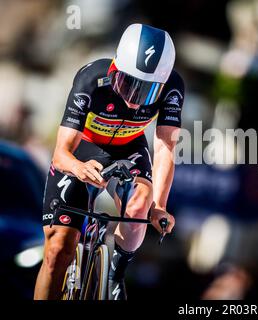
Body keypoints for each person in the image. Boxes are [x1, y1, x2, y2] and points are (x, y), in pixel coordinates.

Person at [34, 23, 184, 300]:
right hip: (83, 149)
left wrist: (159, 207)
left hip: (129, 149)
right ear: (115, 71)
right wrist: (79, 167)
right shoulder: (91, 78)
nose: (135, 103)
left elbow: (165, 150)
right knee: (57, 251)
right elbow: (61, 153)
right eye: (129, 85)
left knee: (140, 204)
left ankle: (117, 272)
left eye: (147, 92)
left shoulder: (173, 87)